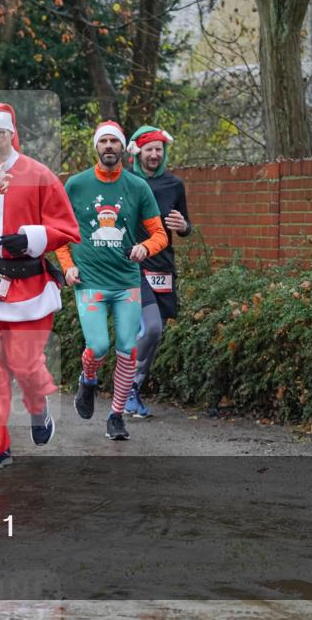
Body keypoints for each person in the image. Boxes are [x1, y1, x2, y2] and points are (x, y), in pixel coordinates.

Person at [0, 102, 80, 470]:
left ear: (12, 134)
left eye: (0, 133)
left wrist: (31, 238)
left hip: (28, 288)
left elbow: (68, 230)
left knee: (25, 365)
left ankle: (39, 410)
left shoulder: (38, 175)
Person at [55, 121, 168, 440]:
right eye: (103, 141)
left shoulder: (137, 187)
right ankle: (87, 380)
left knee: (128, 348)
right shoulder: (76, 185)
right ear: (96, 147)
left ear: (122, 148)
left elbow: (160, 234)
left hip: (126, 283)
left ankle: (117, 415)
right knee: (99, 345)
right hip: (89, 281)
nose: (108, 146)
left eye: (113, 142)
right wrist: (67, 267)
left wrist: (145, 247)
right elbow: (60, 234)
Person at [126, 126, 192, 417]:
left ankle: (133, 389)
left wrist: (185, 227)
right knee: (149, 328)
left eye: (159, 149)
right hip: (133, 266)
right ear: (137, 151)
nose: (154, 154)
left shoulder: (174, 185)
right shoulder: (126, 182)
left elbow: (185, 225)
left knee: (155, 332)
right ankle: (126, 385)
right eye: (149, 149)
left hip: (163, 266)